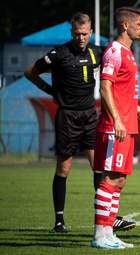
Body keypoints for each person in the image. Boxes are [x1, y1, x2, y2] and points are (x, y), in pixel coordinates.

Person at [24, 13, 103, 233]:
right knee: (63, 170)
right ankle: (59, 222)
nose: (80, 38)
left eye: (85, 34)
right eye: (77, 34)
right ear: (71, 32)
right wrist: (50, 91)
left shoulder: (98, 52)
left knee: (99, 168)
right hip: (67, 117)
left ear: (91, 32)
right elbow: (29, 72)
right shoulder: (58, 54)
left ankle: (105, 218)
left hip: (90, 116)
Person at [91, 7, 140, 249]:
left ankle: (109, 232)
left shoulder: (128, 53)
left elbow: (122, 93)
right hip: (114, 127)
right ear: (125, 26)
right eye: (139, 24)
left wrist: (139, 112)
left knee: (119, 180)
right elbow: (105, 88)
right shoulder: (113, 52)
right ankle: (100, 235)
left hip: (126, 125)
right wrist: (118, 120)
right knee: (109, 179)